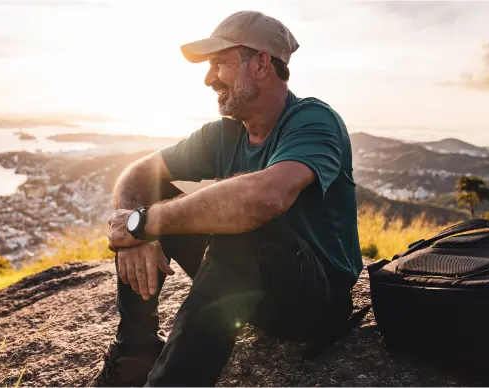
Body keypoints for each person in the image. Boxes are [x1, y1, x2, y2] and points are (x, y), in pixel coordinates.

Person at [97, 10, 363, 388]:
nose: (208, 79)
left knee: (240, 228)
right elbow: (139, 172)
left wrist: (143, 223)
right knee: (151, 201)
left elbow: (264, 199)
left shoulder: (313, 121)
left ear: (260, 64)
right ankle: (135, 355)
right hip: (256, 294)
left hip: (315, 304)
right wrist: (131, 223)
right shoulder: (222, 134)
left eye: (220, 63)